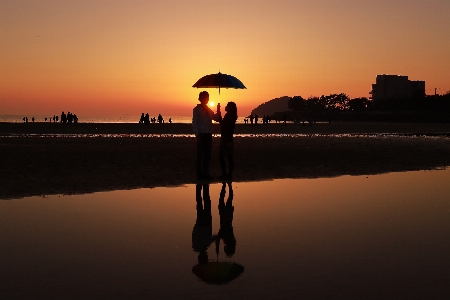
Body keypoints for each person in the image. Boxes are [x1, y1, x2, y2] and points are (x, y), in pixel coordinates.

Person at [192, 91, 221, 180]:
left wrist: (218, 110)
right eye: (205, 97)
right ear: (201, 98)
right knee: (200, 155)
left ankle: (206, 173)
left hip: (208, 134)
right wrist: (197, 135)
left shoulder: (208, 109)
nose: (207, 99)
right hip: (201, 134)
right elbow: (194, 123)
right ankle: (199, 174)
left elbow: (216, 118)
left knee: (208, 155)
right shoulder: (196, 109)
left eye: (208, 97)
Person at [218, 102, 237, 180]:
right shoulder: (230, 115)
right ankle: (228, 174)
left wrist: (229, 141)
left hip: (227, 138)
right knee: (228, 156)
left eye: (227, 106)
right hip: (227, 138)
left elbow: (225, 126)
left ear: (230, 108)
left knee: (223, 156)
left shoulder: (230, 116)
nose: (226, 107)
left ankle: (226, 174)